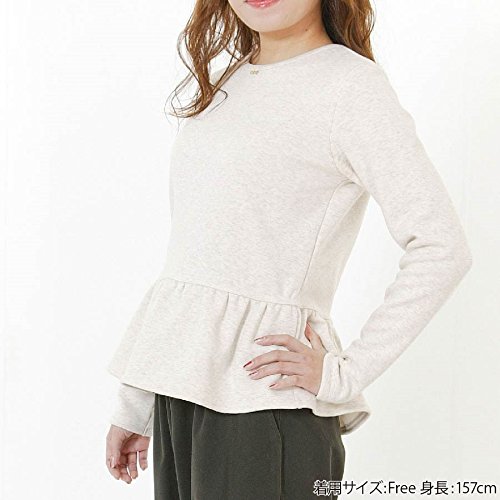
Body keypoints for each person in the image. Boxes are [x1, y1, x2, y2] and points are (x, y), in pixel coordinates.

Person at [104, 0, 473, 498]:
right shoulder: (231, 79)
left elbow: (441, 246)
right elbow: (194, 259)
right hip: (182, 401)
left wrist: (344, 374)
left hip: (266, 407)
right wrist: (139, 400)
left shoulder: (351, 87)